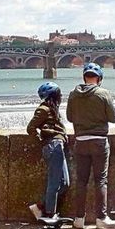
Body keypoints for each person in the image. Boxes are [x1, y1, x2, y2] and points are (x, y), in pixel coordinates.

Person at [66, 62, 115, 229]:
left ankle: (79, 218)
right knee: (100, 180)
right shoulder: (103, 94)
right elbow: (113, 118)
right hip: (99, 141)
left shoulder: (73, 94)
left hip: (80, 141)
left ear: (84, 77)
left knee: (81, 181)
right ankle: (101, 218)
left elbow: (69, 117)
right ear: (99, 78)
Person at [27, 82, 69, 220]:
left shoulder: (53, 109)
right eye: (59, 94)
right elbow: (31, 128)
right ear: (53, 96)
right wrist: (42, 141)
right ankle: (49, 214)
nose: (61, 97)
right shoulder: (44, 109)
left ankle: (41, 207)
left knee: (64, 183)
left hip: (58, 146)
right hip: (52, 146)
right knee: (55, 183)